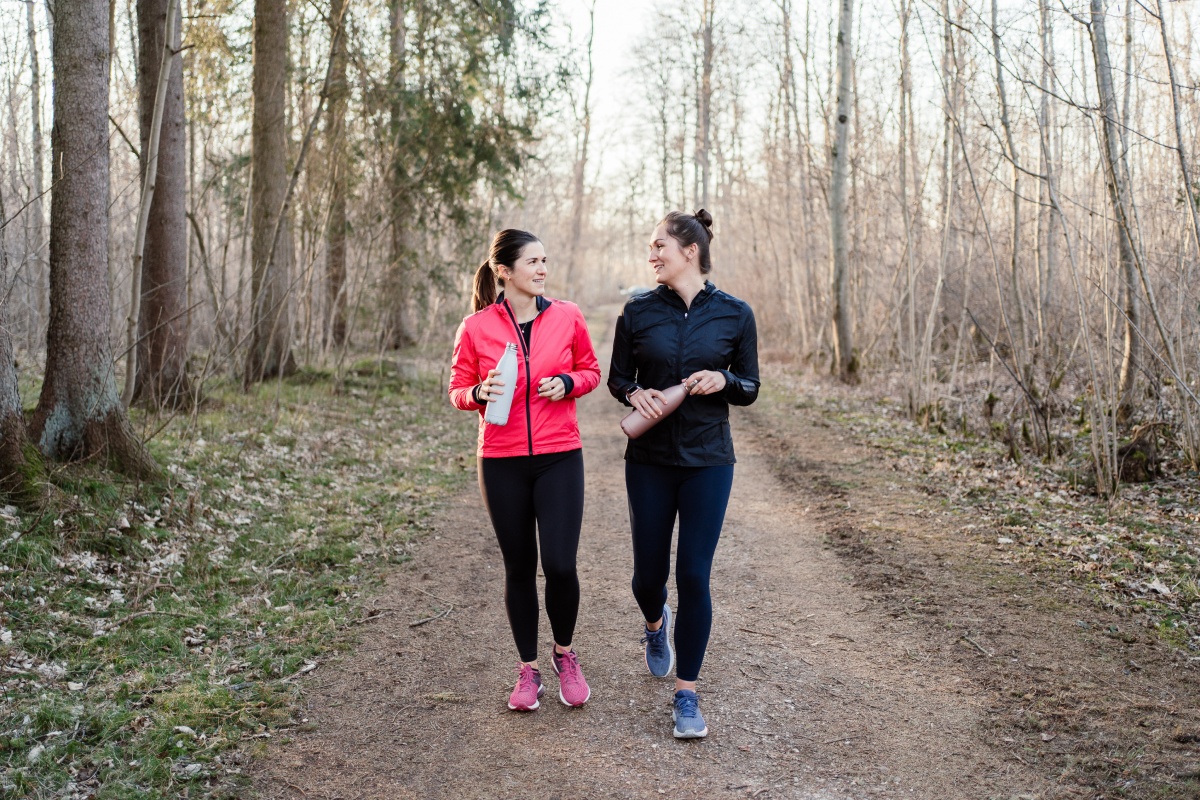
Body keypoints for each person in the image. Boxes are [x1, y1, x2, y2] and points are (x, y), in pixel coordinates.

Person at [608, 209, 760, 738]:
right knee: (647, 578)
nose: (651, 256)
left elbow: (750, 386)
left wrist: (723, 379)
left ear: (689, 251)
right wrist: (635, 393)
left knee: (694, 574)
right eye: (650, 248)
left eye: (658, 247)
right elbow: (618, 378)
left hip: (708, 462)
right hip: (649, 462)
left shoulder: (735, 314)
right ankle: (656, 624)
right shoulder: (638, 312)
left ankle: (687, 694)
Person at [448, 229, 601, 711]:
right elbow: (457, 389)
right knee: (519, 567)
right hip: (500, 461)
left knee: (559, 564)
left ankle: (565, 654)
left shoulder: (568, 316)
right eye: (532, 261)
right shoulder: (475, 327)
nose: (542, 270)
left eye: (545, 261)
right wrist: (477, 395)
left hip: (560, 456)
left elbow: (592, 370)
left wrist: (567, 382)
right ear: (504, 271)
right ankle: (527, 670)